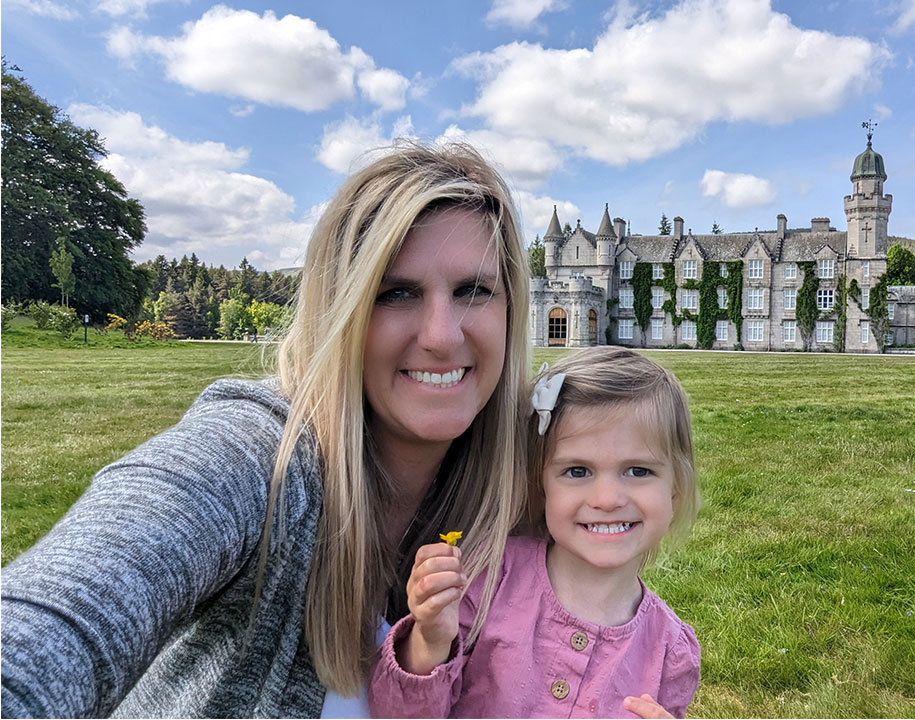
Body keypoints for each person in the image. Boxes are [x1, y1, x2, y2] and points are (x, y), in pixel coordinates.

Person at [0, 143, 532, 717]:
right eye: (395, 293)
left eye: (472, 291)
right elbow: (71, 607)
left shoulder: (542, 488)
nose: (441, 336)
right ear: (338, 311)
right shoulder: (262, 458)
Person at [369, 347, 702, 719]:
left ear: (675, 490)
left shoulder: (671, 652)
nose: (607, 499)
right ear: (541, 485)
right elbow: (394, 712)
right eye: (577, 471)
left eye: (638, 471)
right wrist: (430, 641)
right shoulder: (488, 576)